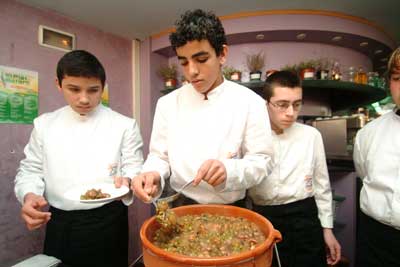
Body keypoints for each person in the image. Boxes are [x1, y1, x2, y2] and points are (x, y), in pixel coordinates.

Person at [14, 50, 144, 267]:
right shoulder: (44, 124)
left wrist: (129, 180)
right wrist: (29, 196)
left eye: (93, 90)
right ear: (58, 84)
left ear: (103, 86)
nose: (84, 99)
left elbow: (134, 166)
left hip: (109, 221)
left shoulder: (124, 124)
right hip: (60, 222)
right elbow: (31, 170)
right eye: (74, 89)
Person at [132, 9, 273, 207]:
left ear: (222, 54)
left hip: (231, 208)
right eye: (184, 62)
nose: (192, 71)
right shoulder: (167, 104)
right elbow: (159, 156)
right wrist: (152, 174)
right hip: (180, 204)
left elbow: (262, 161)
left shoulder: (250, 102)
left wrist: (230, 171)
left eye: (201, 59)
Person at [248, 71, 341, 267]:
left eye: (296, 104)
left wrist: (327, 229)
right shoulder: (251, 138)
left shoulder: (311, 135)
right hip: (264, 218)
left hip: (304, 217)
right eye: (282, 105)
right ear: (266, 104)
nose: (290, 112)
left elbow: (322, 186)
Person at [353, 47, 400, 267]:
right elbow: (364, 174)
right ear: (390, 82)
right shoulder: (368, 133)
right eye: (398, 78)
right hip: (376, 238)